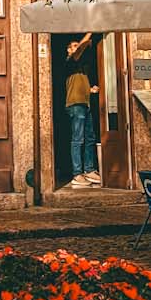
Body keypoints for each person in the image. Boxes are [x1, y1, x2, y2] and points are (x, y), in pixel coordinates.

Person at [64, 38, 100, 190]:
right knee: (77, 139)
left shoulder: (83, 69)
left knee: (90, 137)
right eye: (73, 46)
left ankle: (89, 170)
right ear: (68, 50)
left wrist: (91, 90)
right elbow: (79, 50)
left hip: (86, 104)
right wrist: (90, 30)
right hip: (75, 105)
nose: (77, 47)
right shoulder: (69, 62)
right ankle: (77, 174)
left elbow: (82, 87)